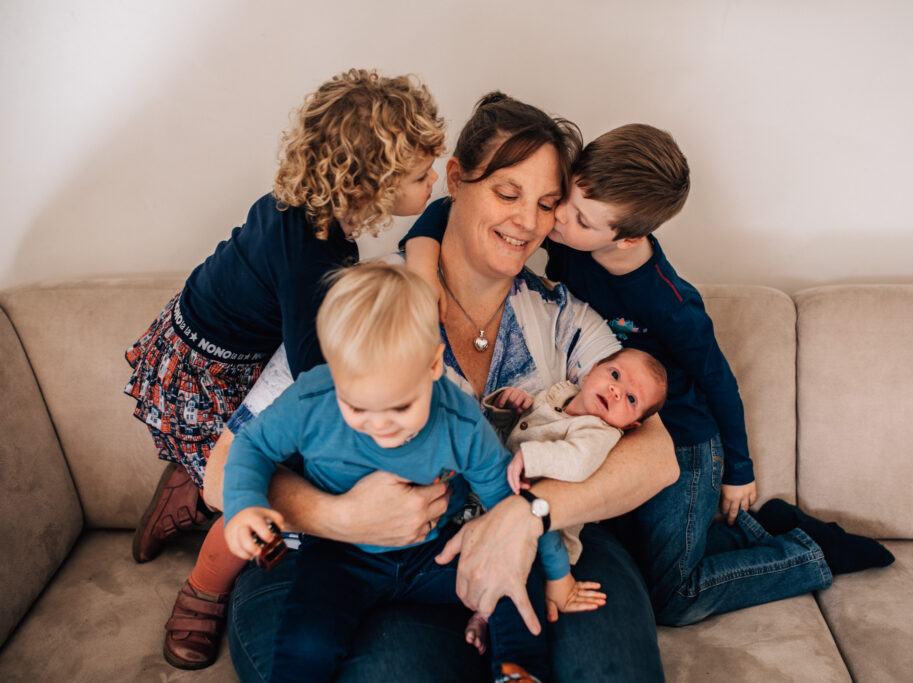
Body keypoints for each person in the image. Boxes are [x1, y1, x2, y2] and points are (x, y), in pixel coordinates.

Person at [202, 92, 679, 682]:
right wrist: (343, 518)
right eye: (507, 193)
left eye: (547, 204)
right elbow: (222, 471)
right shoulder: (366, 304)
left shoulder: (564, 317)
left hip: (527, 541)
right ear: (455, 179)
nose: (527, 222)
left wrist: (528, 515)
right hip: (336, 559)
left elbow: (658, 456)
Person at [407, 122, 894, 628]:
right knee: (635, 552)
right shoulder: (575, 238)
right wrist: (422, 265)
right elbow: (453, 208)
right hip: (613, 423)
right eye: (563, 201)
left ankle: (808, 553)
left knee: (671, 593)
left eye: (574, 216)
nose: (549, 222)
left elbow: (719, 383)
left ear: (626, 237)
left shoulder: (670, 302)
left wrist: (739, 472)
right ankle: (759, 528)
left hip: (684, 440)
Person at [123, 68, 445, 669]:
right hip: (205, 370)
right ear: (372, 183)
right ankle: (203, 586)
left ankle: (184, 487)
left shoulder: (307, 207)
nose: (433, 182)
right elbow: (316, 375)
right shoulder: (315, 259)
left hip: (212, 340)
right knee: (246, 481)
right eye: (422, 176)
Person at [223, 263, 584, 682]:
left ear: (433, 366)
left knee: (513, 574)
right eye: (357, 407)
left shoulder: (459, 420)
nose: (380, 426)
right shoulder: (312, 399)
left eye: (400, 407)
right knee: (306, 641)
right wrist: (243, 505)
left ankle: (519, 673)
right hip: (341, 555)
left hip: (435, 552)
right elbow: (252, 446)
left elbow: (511, 505)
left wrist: (558, 575)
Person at [463, 346, 668, 654]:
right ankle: (479, 609)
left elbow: (576, 461)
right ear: (593, 369)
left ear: (630, 426)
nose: (615, 391)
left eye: (630, 399)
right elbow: (519, 430)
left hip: (547, 534)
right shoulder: (559, 394)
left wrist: (530, 457)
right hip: (495, 501)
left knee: (516, 573)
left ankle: (486, 620)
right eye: (614, 375)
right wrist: (509, 409)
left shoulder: (600, 432)